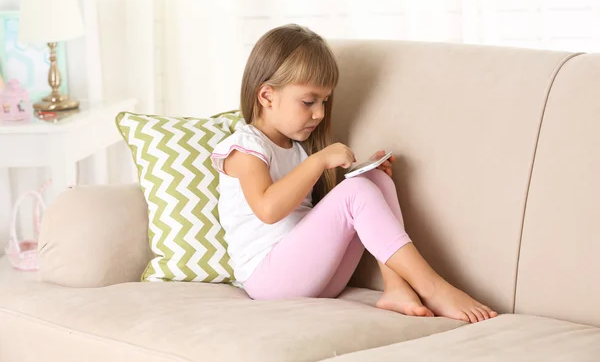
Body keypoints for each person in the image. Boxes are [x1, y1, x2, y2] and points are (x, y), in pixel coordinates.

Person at [211, 24, 498, 323]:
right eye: (309, 102)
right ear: (267, 96)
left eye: (324, 101)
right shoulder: (245, 148)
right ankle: (431, 286)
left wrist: (363, 173)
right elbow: (268, 210)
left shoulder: (297, 150)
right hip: (269, 280)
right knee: (356, 192)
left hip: (316, 277)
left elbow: (314, 217)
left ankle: (396, 286)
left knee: (373, 180)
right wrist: (319, 161)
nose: (320, 113)